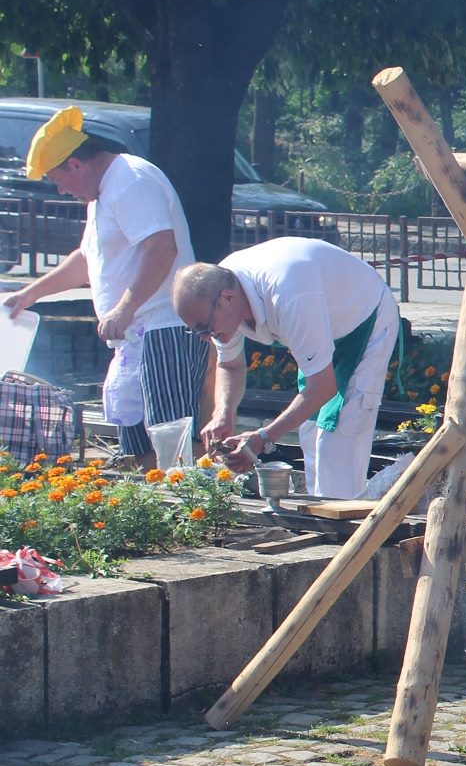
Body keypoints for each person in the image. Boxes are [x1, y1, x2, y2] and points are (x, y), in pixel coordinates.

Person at [6, 108, 208, 461]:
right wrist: (28, 295)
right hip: (134, 336)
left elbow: (162, 248)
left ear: (76, 164)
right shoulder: (103, 193)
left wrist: (125, 307)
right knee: (137, 449)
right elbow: (87, 259)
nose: (61, 190)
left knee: (171, 439)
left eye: (58, 180)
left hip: (163, 328)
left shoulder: (131, 179)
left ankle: (183, 497)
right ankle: (150, 496)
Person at [171, 238, 400, 498]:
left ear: (228, 297)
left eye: (205, 327)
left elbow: (322, 387)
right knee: (311, 434)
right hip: (322, 319)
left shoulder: (289, 294)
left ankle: (344, 518)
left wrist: (263, 437)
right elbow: (230, 365)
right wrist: (223, 413)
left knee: (335, 444)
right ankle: (319, 512)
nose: (205, 338)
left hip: (365, 319)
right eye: (196, 331)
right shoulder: (222, 291)